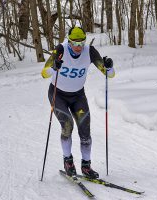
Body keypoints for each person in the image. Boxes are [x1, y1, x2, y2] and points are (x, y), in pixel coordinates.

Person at [41, 26, 115, 179]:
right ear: (69, 42)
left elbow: (110, 75)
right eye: (75, 43)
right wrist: (54, 67)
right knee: (67, 124)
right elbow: (44, 73)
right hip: (58, 94)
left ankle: (86, 166)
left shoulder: (90, 51)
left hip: (78, 96)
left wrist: (109, 66)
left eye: (81, 44)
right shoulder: (61, 49)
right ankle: (68, 161)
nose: (78, 47)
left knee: (85, 130)